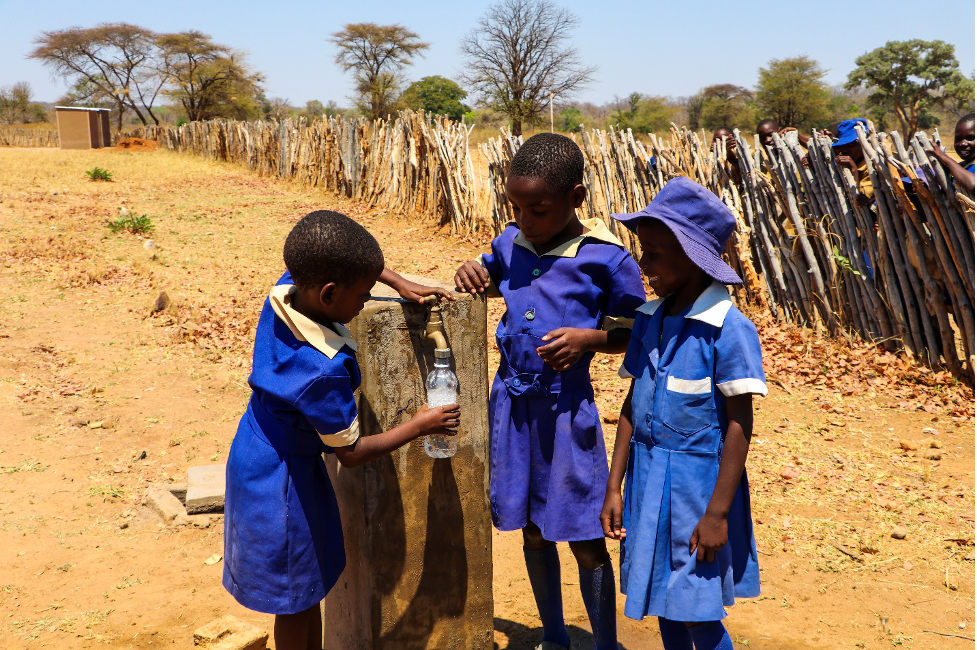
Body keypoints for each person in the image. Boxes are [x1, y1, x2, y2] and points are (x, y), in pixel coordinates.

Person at [222, 210, 460, 650]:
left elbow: (335, 261)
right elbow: (350, 451)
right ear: (330, 294)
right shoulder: (320, 371)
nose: (366, 299)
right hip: (282, 486)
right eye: (363, 293)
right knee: (293, 599)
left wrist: (395, 280)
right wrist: (420, 424)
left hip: (258, 450)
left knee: (304, 586)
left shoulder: (287, 290)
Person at [454, 132, 646, 650]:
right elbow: (486, 272)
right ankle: (555, 637)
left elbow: (638, 331)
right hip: (511, 409)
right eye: (515, 207)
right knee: (531, 527)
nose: (525, 219)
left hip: (566, 411)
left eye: (537, 208)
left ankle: (604, 643)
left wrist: (590, 339)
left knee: (583, 533)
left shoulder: (606, 259)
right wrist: (472, 268)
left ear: (576, 198)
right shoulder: (508, 243)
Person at [601, 177, 767, 650]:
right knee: (661, 601)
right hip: (646, 480)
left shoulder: (729, 330)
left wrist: (716, 514)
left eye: (653, 253)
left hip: (698, 491)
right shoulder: (650, 319)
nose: (643, 264)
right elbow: (633, 404)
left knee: (696, 610)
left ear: (693, 259)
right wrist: (614, 485)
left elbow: (740, 424)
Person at [927, 112, 975, 194]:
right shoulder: (962, 167)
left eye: (970, 138)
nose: (962, 144)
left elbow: (973, 185)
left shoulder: (957, 167)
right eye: (958, 139)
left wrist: (947, 159)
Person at [832, 118, 875, 206]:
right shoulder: (841, 165)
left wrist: (854, 170)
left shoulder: (874, 167)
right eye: (842, 146)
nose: (845, 150)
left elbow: (860, 199)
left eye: (851, 145)